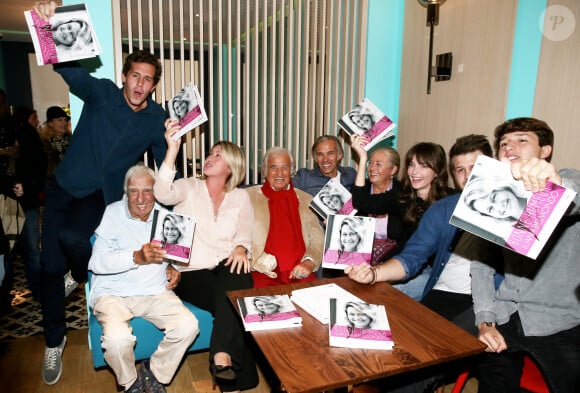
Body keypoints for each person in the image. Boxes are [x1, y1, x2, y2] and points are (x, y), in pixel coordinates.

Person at [35, 2, 170, 386]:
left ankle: (78, 273)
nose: (140, 84)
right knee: (47, 267)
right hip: (62, 187)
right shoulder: (103, 95)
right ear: (124, 77)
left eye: (148, 79)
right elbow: (70, 71)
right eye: (135, 76)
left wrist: (172, 139)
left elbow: (163, 166)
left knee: (74, 240)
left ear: (153, 85)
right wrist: (49, 27)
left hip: (101, 197)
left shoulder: (155, 118)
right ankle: (54, 340)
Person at [344, 134, 498, 393]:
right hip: (436, 284)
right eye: (461, 169)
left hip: (483, 301)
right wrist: (373, 273)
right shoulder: (442, 208)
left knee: (424, 363)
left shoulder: (513, 206)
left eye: (476, 167)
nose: (468, 175)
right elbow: (412, 257)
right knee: (399, 344)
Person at [471, 117, 580, 393]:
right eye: (504, 143)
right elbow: (481, 267)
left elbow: (574, 197)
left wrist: (554, 185)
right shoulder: (492, 198)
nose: (509, 147)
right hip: (507, 315)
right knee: (492, 381)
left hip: (561, 323)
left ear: (545, 151)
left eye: (522, 140)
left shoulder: (569, 179)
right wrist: (485, 322)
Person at [154, 120, 258, 393]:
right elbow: (161, 192)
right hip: (190, 272)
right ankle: (233, 370)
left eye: (217, 155)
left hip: (224, 269)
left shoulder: (240, 197)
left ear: (231, 167)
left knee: (238, 272)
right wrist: (172, 147)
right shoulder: (188, 186)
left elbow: (245, 233)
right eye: (210, 153)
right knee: (234, 301)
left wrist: (240, 247)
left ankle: (222, 361)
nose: (209, 158)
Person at [88, 163, 197, 393]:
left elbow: (175, 259)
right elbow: (96, 263)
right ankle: (131, 384)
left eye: (147, 190)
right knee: (117, 341)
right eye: (133, 191)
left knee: (188, 326)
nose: (140, 198)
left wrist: (174, 268)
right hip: (112, 294)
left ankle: (153, 374)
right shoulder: (113, 212)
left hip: (154, 292)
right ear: (126, 191)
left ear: (155, 191)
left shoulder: (167, 218)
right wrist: (135, 257)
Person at [246, 147, 324, 288]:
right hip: (263, 272)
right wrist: (254, 259)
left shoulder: (306, 199)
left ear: (292, 170)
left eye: (285, 167)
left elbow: (317, 238)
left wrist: (309, 262)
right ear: (264, 170)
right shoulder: (247, 197)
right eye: (273, 167)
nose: (279, 173)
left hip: (300, 271)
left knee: (315, 306)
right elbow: (236, 234)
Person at [393, 142, 453, 300]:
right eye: (411, 165)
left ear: (437, 171)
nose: (415, 172)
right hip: (411, 264)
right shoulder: (405, 200)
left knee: (392, 294)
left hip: (436, 272)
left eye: (423, 166)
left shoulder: (449, 203)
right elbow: (404, 246)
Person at [349, 135, 404, 265]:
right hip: (360, 256)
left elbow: (405, 240)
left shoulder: (401, 193)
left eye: (378, 164)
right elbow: (351, 224)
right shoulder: (360, 189)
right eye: (370, 163)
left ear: (393, 170)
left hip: (393, 257)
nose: (372, 168)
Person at [11, 107, 48, 300]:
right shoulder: (28, 137)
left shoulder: (21, 135)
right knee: (32, 248)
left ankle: (37, 287)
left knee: (27, 248)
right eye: (34, 117)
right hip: (26, 202)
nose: (37, 121)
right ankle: (39, 290)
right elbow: (37, 166)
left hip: (23, 201)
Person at [292, 135, 356, 196]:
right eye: (320, 154)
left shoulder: (350, 174)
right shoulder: (304, 177)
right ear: (315, 158)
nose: (325, 159)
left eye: (330, 153)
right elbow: (286, 195)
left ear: (339, 155)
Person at [40, 106, 71, 180]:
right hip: (53, 183)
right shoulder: (44, 143)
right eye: (60, 120)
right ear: (50, 123)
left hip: (70, 181)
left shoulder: (72, 140)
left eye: (65, 120)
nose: (64, 123)